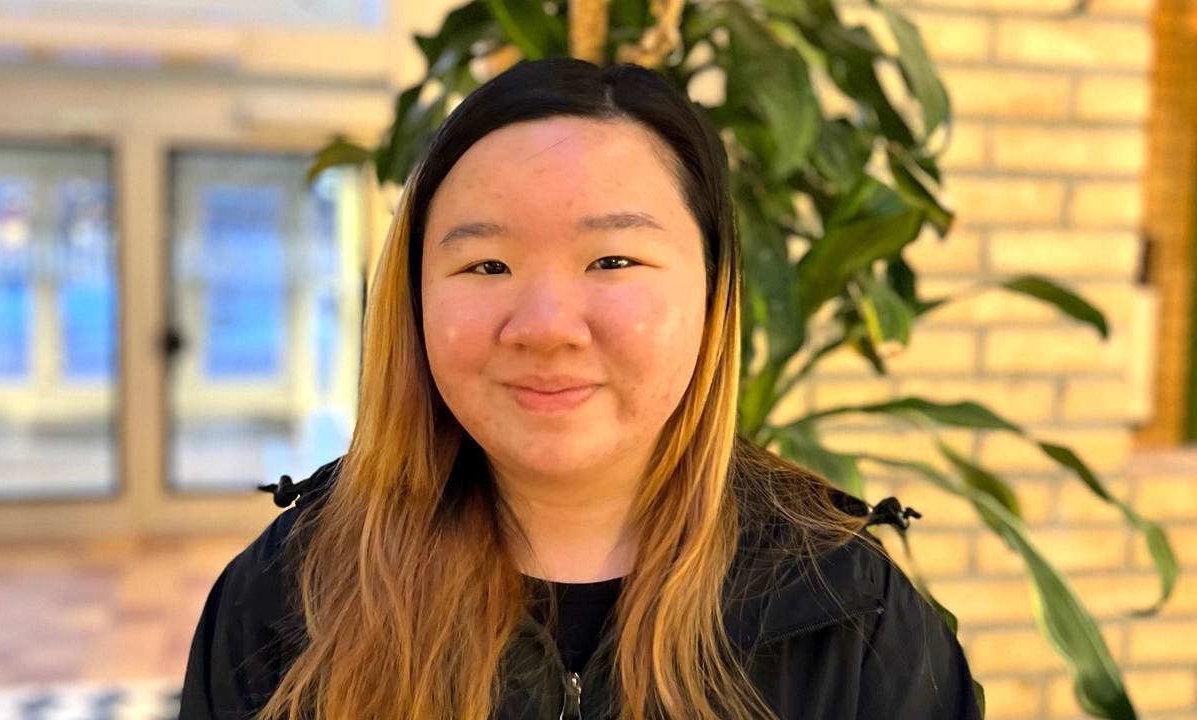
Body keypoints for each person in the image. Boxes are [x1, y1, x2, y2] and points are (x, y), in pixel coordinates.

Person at [179, 57, 982, 720]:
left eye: (614, 261)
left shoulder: (848, 612)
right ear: (413, 299)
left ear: (713, 292)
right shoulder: (289, 598)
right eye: (485, 265)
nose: (545, 326)